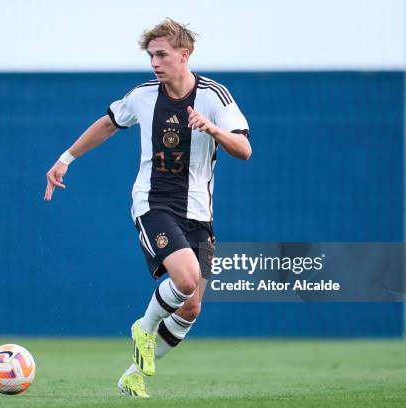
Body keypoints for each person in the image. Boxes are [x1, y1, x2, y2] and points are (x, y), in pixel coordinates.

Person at [44, 18, 251, 398]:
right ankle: (144, 326)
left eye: (162, 55)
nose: (154, 63)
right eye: (151, 55)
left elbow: (244, 149)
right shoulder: (142, 96)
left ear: (184, 54)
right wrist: (65, 159)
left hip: (199, 213)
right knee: (186, 280)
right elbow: (108, 124)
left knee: (191, 309)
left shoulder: (214, 96)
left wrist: (213, 129)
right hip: (154, 204)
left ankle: (133, 374)